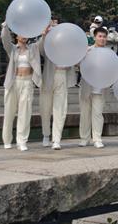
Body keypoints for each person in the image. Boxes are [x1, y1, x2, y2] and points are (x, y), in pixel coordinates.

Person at [1, 22, 42, 151]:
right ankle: (7, 140)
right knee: (9, 112)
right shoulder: (13, 49)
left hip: (27, 81)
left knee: (25, 112)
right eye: (21, 33)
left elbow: (41, 43)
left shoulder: (33, 48)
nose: (24, 36)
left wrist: (45, 33)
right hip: (13, 82)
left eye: (26, 33)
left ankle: (22, 141)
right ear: (17, 35)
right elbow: (5, 40)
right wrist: (5, 27)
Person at [39, 20, 77, 150]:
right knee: (45, 108)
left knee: (60, 109)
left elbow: (77, 55)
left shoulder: (68, 46)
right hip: (48, 77)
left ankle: (56, 139)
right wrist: (44, 35)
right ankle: (46, 135)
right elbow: (40, 50)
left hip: (62, 76)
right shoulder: (48, 43)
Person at [79, 27, 110, 148]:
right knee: (85, 114)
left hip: (100, 88)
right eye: (100, 36)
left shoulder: (109, 54)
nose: (102, 39)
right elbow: (78, 64)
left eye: (104, 37)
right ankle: (84, 138)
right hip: (87, 86)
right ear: (95, 37)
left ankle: (97, 138)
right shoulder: (87, 51)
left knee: (97, 114)